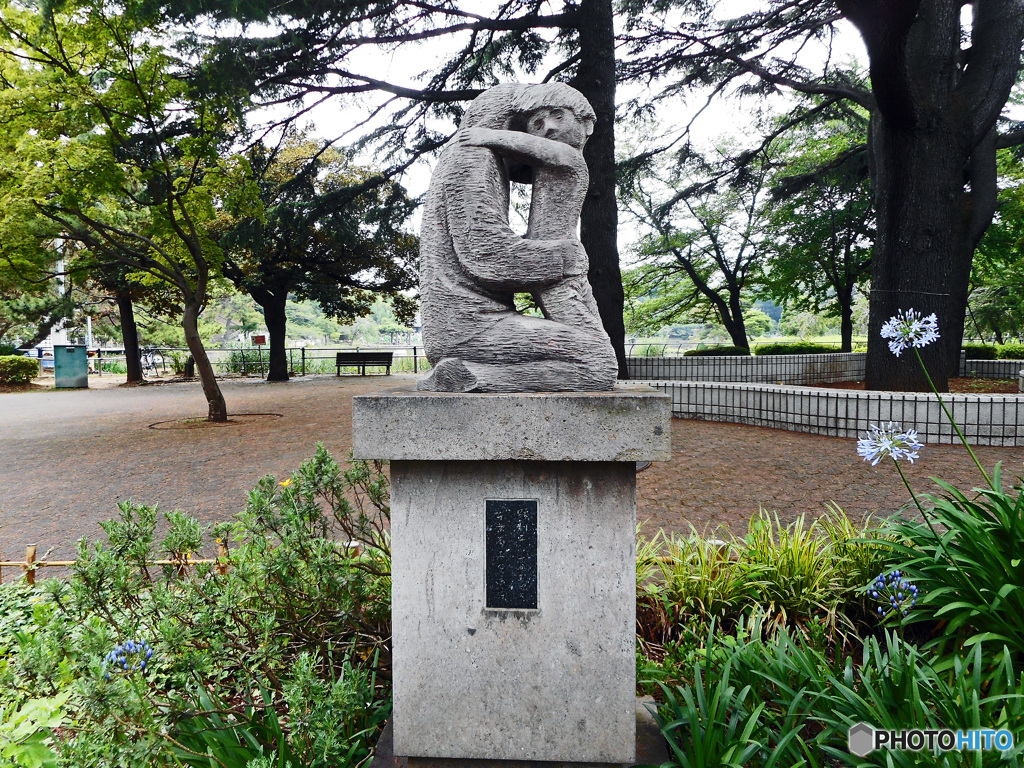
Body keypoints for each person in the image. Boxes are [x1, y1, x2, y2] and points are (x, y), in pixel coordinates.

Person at [417, 83, 617, 393]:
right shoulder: (471, 157)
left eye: (557, 117)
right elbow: (485, 257)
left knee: (598, 360)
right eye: (537, 123)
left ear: (587, 123)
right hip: (468, 327)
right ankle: (471, 377)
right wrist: (566, 257)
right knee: (598, 363)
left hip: (477, 324)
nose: (547, 130)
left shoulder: (479, 156)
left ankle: (468, 375)